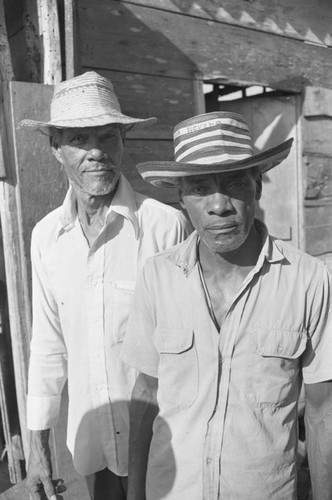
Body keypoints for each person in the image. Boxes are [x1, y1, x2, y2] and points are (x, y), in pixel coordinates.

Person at [121, 111, 332, 499]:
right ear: (182, 199)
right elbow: (145, 397)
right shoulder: (157, 277)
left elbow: (321, 412)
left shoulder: (308, 280)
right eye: (200, 188)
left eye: (235, 182)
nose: (219, 206)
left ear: (258, 188)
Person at [20, 71, 191, 500]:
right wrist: (37, 448)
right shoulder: (46, 237)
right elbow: (48, 344)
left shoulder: (164, 227)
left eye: (107, 137)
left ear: (123, 141)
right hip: (92, 447)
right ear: (55, 148)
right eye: (80, 139)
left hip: (163, 446)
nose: (96, 152)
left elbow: (191, 352)